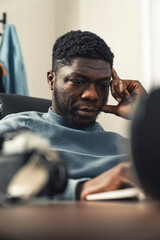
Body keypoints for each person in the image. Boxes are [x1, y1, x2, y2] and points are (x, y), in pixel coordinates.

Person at [0, 30, 147, 200]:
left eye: (102, 85)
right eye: (77, 82)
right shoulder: (17, 128)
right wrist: (80, 189)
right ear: (51, 80)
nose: (92, 94)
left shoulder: (122, 145)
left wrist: (144, 114)